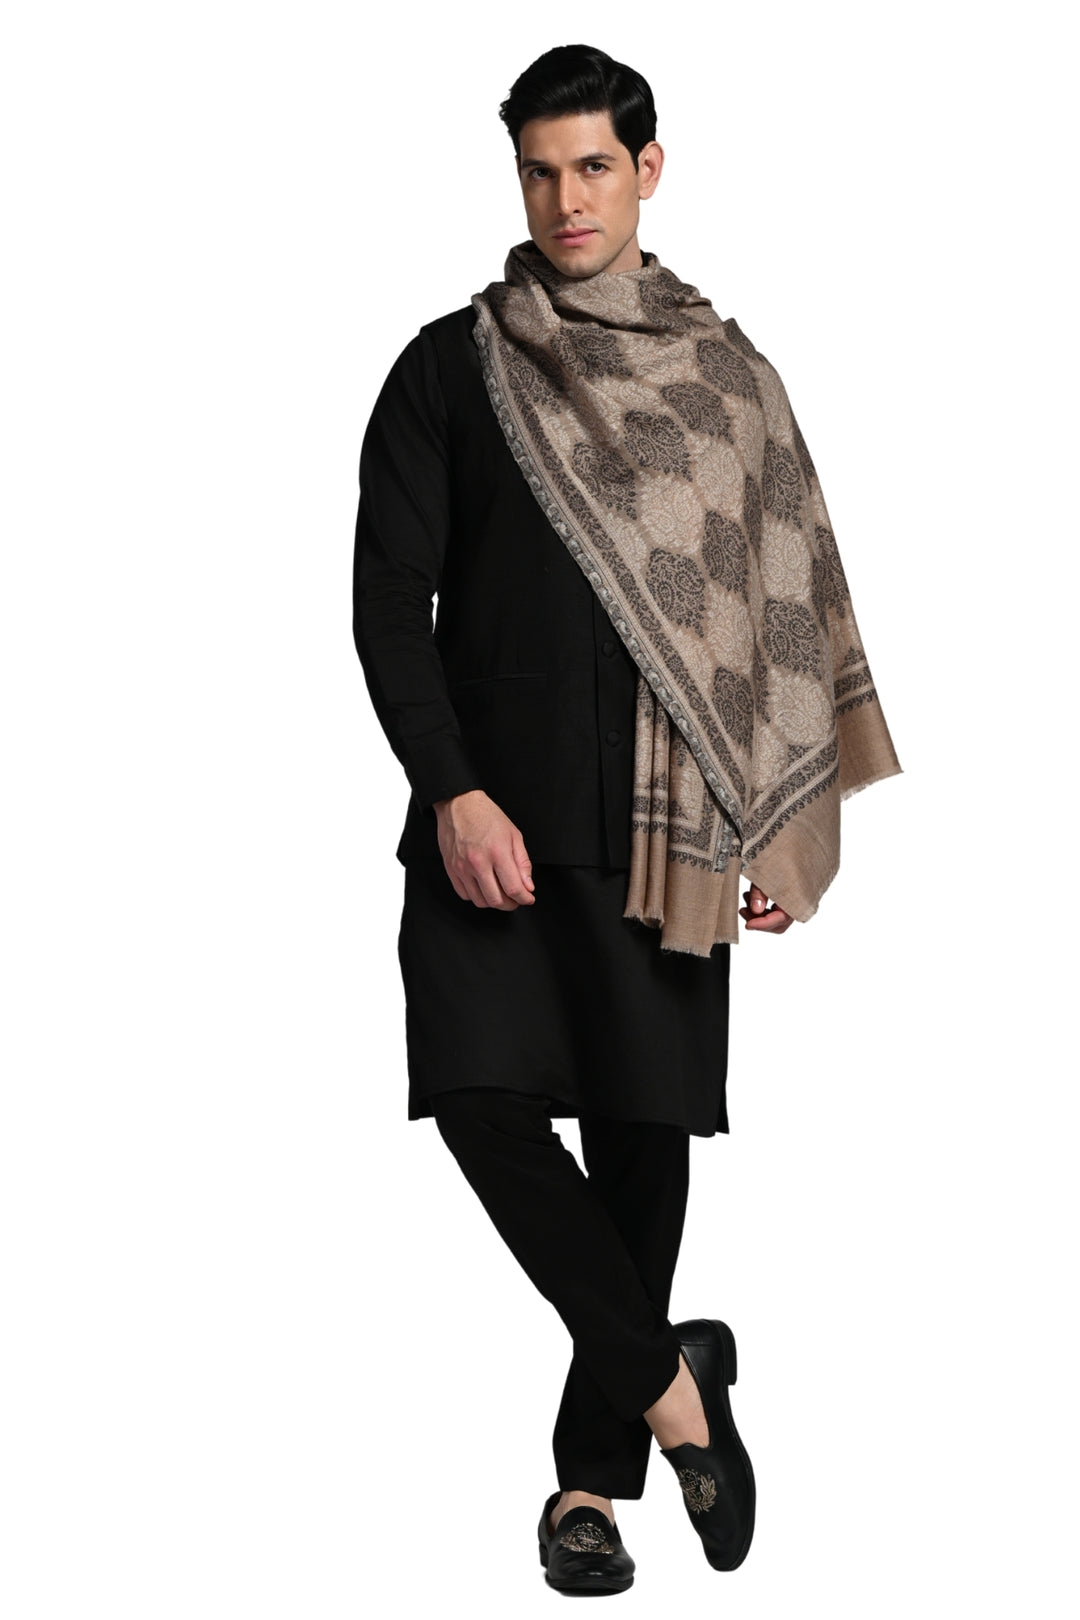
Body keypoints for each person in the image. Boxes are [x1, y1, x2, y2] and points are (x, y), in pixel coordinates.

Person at [352, 43, 900, 1596]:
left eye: (593, 166)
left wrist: (780, 824)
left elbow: (783, 599)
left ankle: (587, 1492)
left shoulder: (726, 387)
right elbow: (389, 602)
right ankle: (677, 1389)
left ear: (648, 169)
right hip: (491, 827)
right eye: (540, 171)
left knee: (641, 1156)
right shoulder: (454, 370)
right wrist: (450, 787)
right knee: (480, 1104)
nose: (566, 199)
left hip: (668, 837)